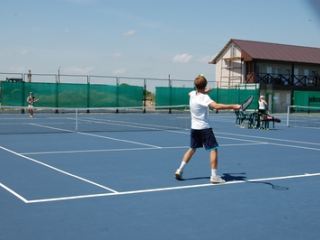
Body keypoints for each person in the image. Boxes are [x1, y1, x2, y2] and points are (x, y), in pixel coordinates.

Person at [175, 75, 241, 184]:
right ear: (205, 85)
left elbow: (195, 93)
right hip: (204, 128)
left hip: (194, 128)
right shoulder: (205, 98)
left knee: (192, 149)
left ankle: (179, 169)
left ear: (195, 85)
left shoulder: (192, 94)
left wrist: (204, 91)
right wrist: (233, 106)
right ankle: (214, 176)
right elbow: (216, 106)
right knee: (213, 149)